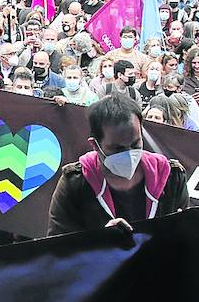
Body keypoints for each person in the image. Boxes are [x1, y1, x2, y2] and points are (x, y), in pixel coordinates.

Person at [47, 95, 189, 236]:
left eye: (135, 144)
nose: (129, 154)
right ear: (95, 145)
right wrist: (100, 242)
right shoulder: (75, 183)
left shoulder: (171, 177)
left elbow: (186, 241)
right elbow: (58, 248)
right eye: (117, 149)